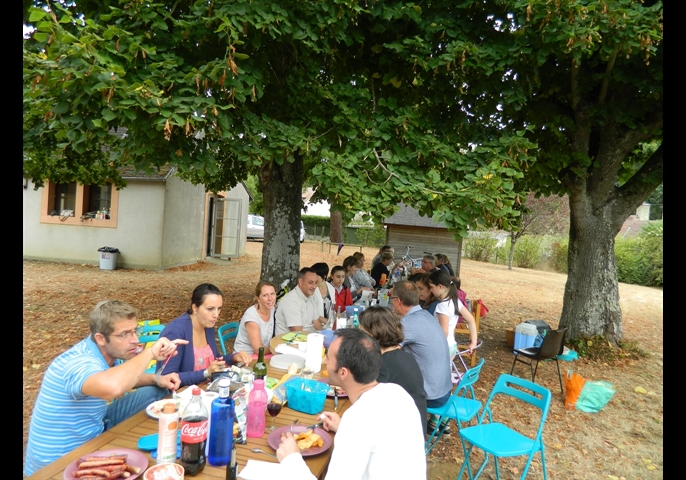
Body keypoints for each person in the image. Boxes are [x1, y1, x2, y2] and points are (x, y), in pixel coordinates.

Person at [24, 300, 185, 477]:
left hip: (94, 428)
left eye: (135, 331)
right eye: (124, 334)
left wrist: (157, 379)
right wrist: (150, 353)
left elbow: (120, 377)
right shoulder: (79, 362)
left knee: (156, 390)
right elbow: (112, 387)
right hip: (59, 460)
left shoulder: (104, 353)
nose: (135, 340)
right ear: (101, 338)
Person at [275, 328, 426, 479]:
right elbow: (381, 441)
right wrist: (343, 428)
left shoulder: (357, 418)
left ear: (343, 373)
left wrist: (291, 459)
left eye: (328, 358)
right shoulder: (398, 392)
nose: (325, 361)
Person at [391, 280, 453, 434]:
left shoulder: (408, 323)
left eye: (391, 298)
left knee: (384, 381)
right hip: (445, 390)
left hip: (432, 395)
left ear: (398, 301)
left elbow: (386, 351)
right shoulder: (426, 315)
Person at [159, 284, 252, 387]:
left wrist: (234, 357)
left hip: (207, 389)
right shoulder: (175, 332)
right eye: (210, 309)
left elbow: (215, 359)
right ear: (195, 308)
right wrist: (205, 373)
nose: (216, 315)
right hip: (182, 393)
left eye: (219, 308)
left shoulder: (207, 325)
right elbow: (167, 378)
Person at [358, 306, 428, 435]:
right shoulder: (404, 355)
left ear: (372, 334)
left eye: (361, 332)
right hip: (416, 429)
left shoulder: (384, 365)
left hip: (402, 437)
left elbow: (365, 405)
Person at [428, 270, 478, 357]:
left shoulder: (442, 306)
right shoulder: (455, 301)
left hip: (442, 348)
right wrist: (473, 342)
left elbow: (444, 332)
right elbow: (471, 320)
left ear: (440, 286)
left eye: (431, 287)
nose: (430, 290)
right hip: (452, 345)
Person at [275, 267, 328, 334]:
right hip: (292, 339)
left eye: (316, 282)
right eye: (310, 282)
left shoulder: (311, 297)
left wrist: (325, 335)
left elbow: (317, 323)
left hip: (308, 336)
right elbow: (297, 333)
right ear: (300, 282)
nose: (314, 286)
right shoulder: (291, 301)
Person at [233, 280, 277, 356]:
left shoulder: (273, 309)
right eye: (265, 295)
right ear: (258, 299)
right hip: (246, 356)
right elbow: (259, 350)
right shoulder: (251, 318)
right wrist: (277, 349)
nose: (270, 298)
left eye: (272, 294)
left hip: (264, 353)